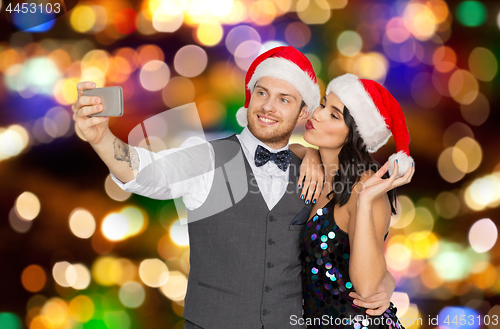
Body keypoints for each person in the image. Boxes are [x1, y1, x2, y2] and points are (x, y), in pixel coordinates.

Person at [72, 47, 396, 329]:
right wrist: (101, 138)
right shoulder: (209, 158)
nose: (268, 106)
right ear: (250, 96)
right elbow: (147, 171)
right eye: (262, 93)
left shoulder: (314, 174)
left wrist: (385, 280)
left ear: (302, 114)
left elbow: (345, 247)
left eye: (284, 99)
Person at [291, 73, 415, 328]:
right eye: (324, 104)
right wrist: (311, 153)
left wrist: (366, 201)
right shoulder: (317, 168)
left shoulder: (366, 186)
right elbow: (287, 150)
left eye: (334, 115)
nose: (318, 114)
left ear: (354, 135)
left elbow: (368, 288)